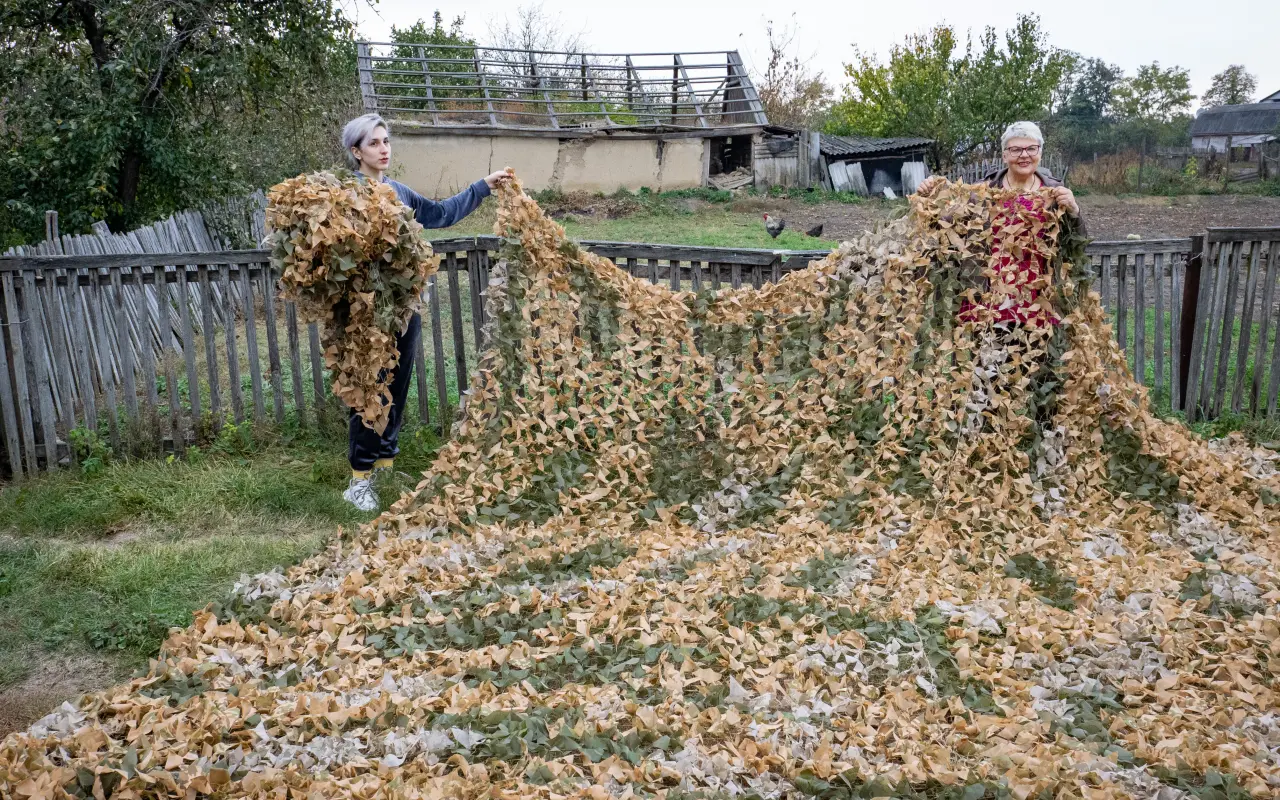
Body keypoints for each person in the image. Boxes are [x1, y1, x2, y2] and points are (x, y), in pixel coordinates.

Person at [339, 112, 513, 512]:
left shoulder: (398, 192)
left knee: (397, 386)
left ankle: (384, 463)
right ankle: (358, 480)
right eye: (374, 143)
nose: (383, 149)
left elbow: (439, 214)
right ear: (356, 151)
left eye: (386, 142)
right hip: (364, 312)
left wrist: (481, 187)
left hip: (403, 308)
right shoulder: (344, 197)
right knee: (370, 388)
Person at [915, 121, 1085, 425]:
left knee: (1044, 379)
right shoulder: (982, 193)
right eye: (1016, 149)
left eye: (1030, 149)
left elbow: (1076, 244)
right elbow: (945, 226)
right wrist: (929, 196)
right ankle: (985, 446)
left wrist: (1074, 210)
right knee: (986, 379)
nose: (1024, 155)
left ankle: (1044, 443)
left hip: (1038, 303)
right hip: (991, 302)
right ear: (1004, 155)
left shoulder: (1055, 192)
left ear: (1040, 153)